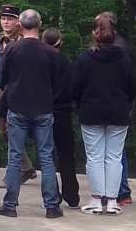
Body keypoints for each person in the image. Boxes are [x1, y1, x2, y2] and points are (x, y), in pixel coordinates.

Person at [0, 9, 63, 220]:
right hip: (43, 108)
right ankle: (52, 206)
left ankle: (10, 205)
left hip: (17, 108)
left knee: (15, 157)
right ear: (39, 25)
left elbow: (3, 79)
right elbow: (57, 83)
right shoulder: (51, 53)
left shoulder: (12, 50)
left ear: (20, 25)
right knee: (46, 157)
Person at [71, 12, 136, 216]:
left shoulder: (84, 59)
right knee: (114, 158)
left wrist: (80, 104)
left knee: (95, 157)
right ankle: (113, 200)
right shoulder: (125, 58)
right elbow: (132, 87)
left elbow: (75, 87)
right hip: (119, 112)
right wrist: (126, 103)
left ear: (94, 33)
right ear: (114, 32)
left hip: (91, 112)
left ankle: (97, 200)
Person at [0, 4, 36, 188]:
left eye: (9, 19)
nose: (6, 22)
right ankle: (25, 167)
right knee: (5, 130)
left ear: (18, 21)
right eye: (3, 19)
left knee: (19, 129)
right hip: (1, 91)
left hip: (20, 89)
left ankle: (18, 170)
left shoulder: (25, 39)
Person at [42, 28, 80, 209]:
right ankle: (72, 194)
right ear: (60, 43)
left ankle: (52, 194)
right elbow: (74, 87)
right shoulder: (67, 63)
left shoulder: (39, 62)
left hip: (43, 111)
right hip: (63, 111)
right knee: (66, 155)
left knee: (46, 155)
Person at [108, 12, 134, 206]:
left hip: (115, 104)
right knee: (116, 150)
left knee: (116, 151)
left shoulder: (118, 49)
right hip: (119, 103)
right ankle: (119, 190)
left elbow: (127, 81)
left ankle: (122, 191)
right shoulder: (119, 46)